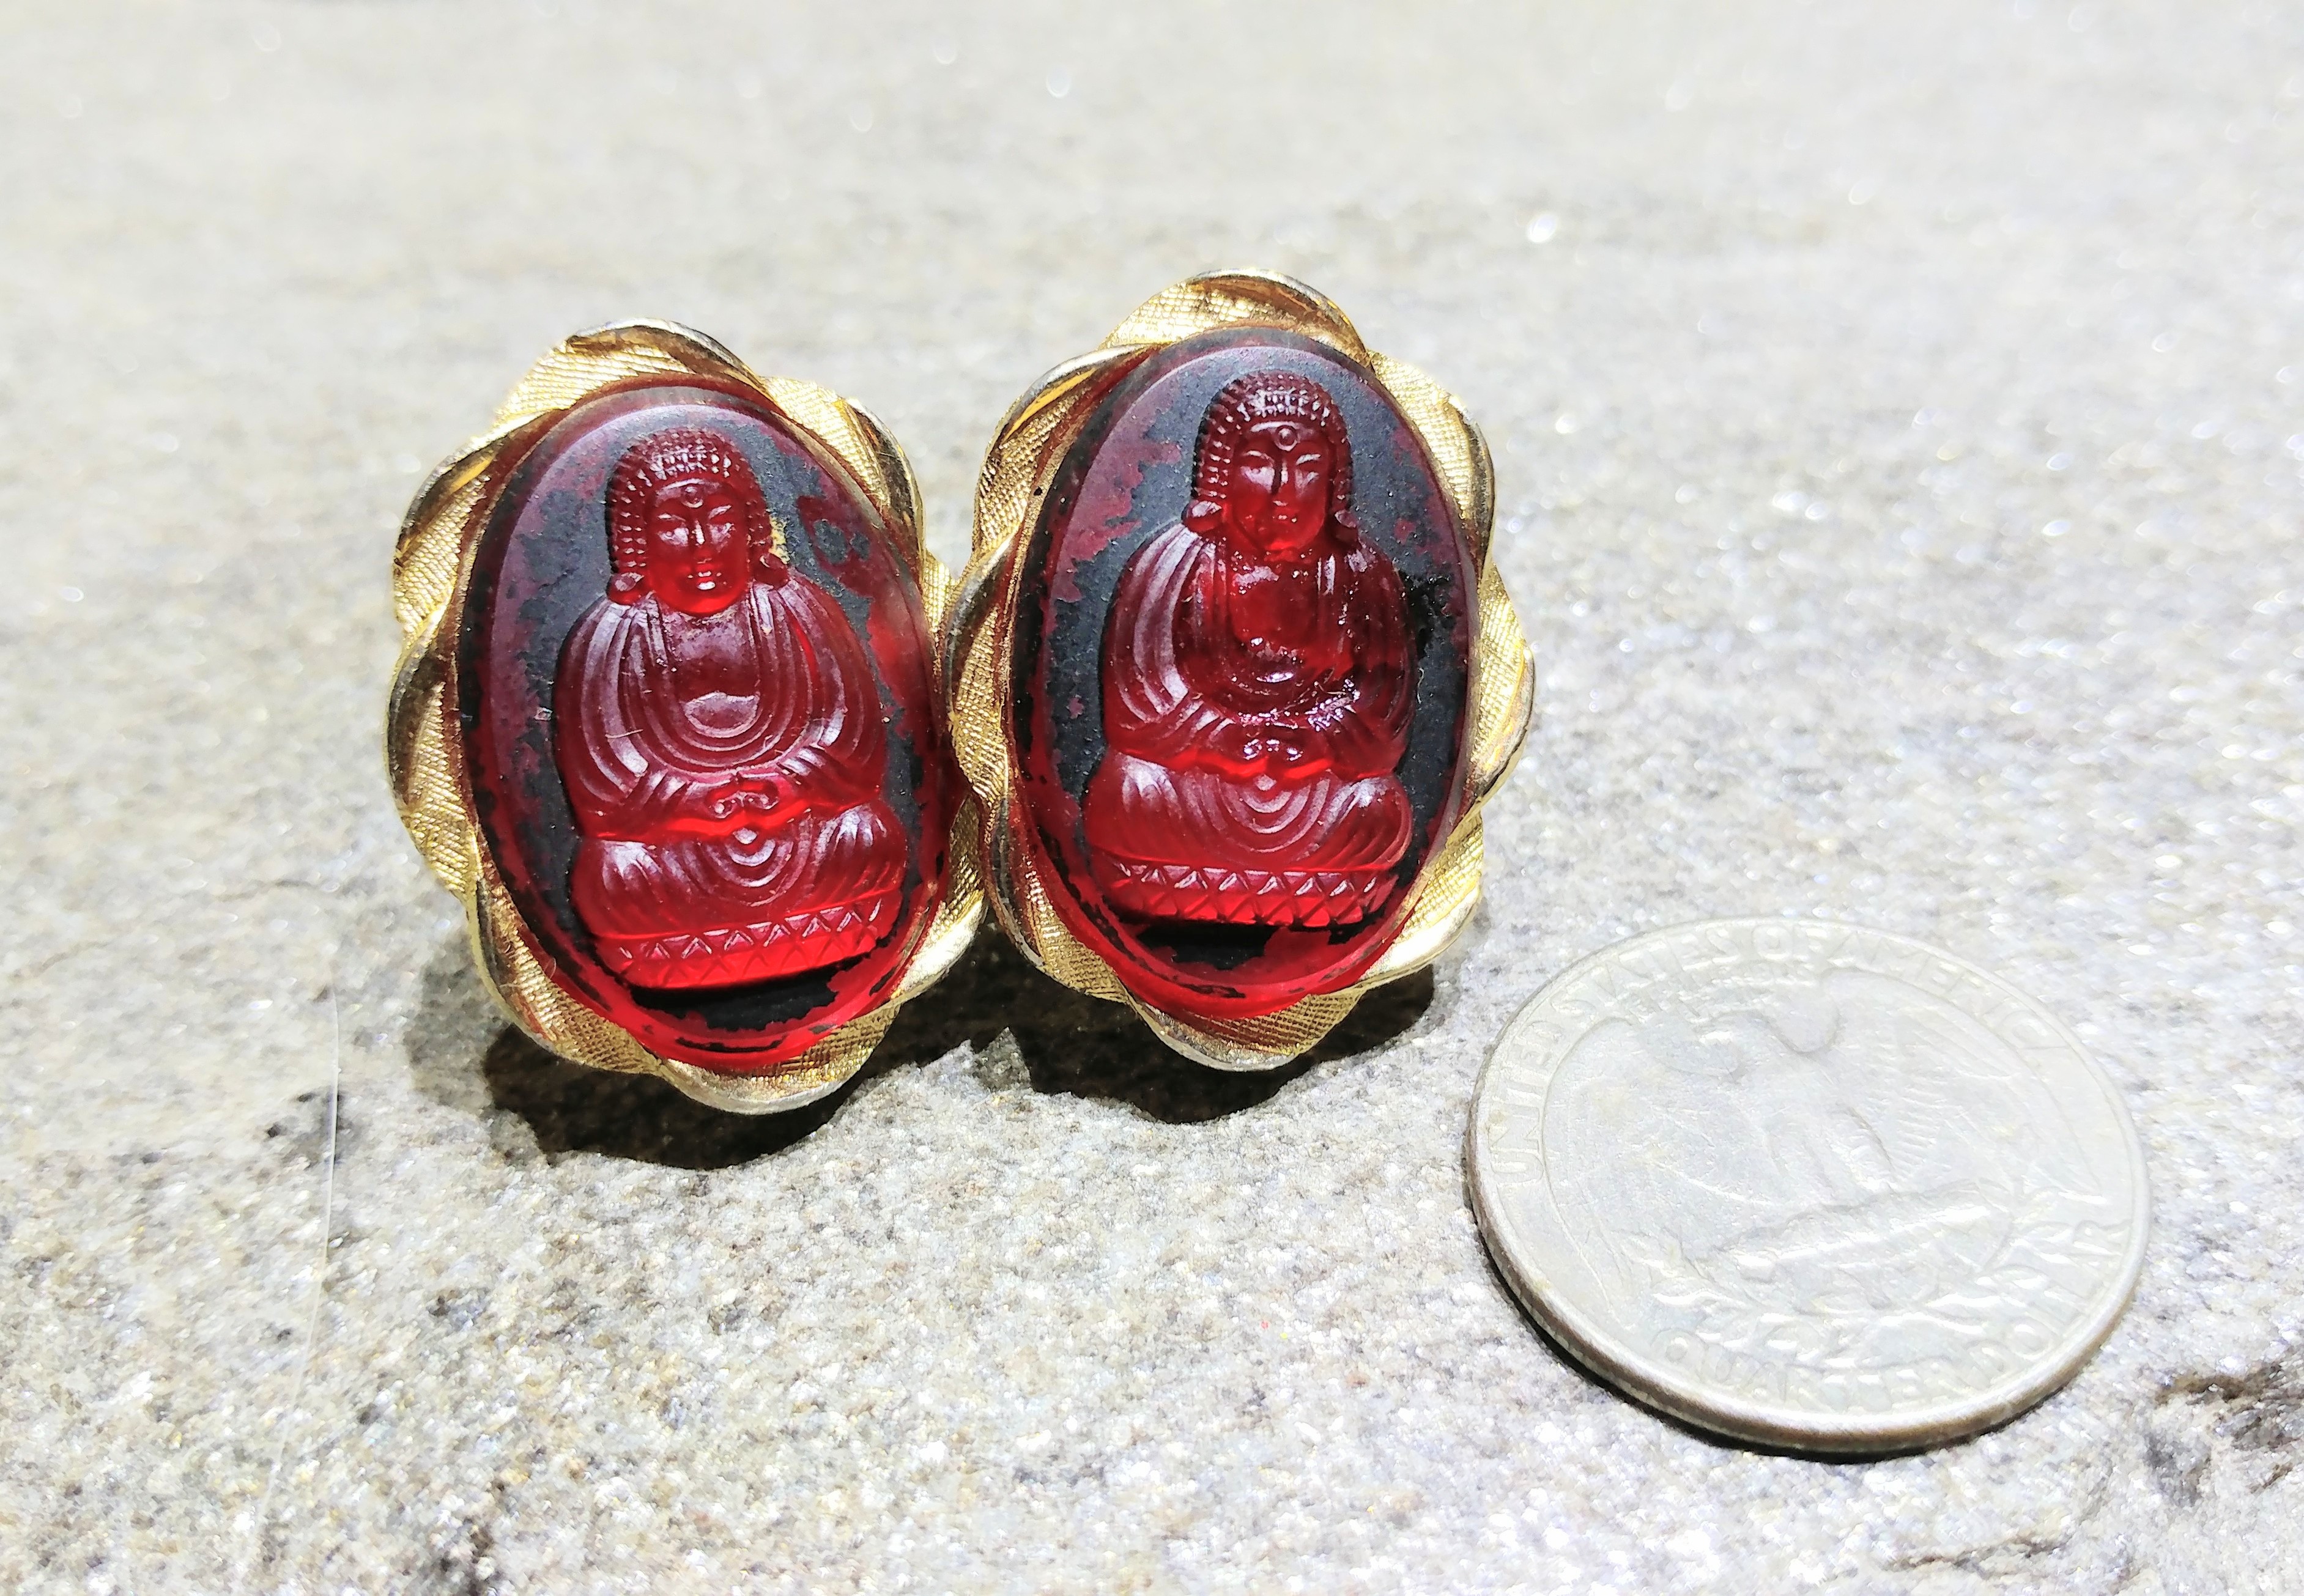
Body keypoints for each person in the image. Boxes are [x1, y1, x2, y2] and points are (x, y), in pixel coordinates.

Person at [554, 426, 903, 989]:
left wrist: (789, 787)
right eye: (671, 526)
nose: (701, 543)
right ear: (637, 542)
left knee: (865, 832)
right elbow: (602, 785)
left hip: (804, 831)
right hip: (674, 855)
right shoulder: (611, 635)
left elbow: (855, 747)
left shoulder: (799, 609)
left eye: (720, 518)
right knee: (615, 872)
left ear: (752, 528)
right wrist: (692, 802)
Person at [1083, 371, 1413, 927]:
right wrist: (1215, 738)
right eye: (1259, 462)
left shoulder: (1360, 572)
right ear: (1218, 476)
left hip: (1314, 794)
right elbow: (1136, 706)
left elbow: (1382, 711)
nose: (1284, 490)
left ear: (1335, 484)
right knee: (1130, 789)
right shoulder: (1173, 562)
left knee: (1374, 808)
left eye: (1308, 467)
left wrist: (1318, 739)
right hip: (1195, 789)